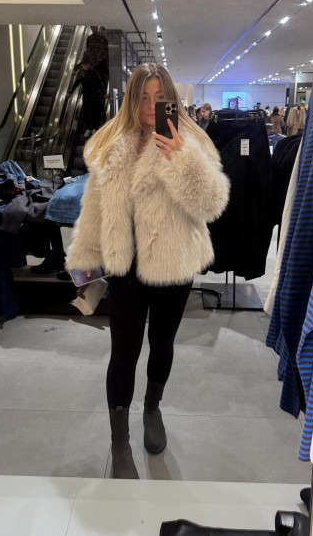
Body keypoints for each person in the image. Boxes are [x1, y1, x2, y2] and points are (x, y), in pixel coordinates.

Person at [66, 63, 230, 479]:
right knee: (123, 352)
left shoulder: (192, 141)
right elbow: (94, 207)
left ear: (171, 99)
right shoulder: (109, 142)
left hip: (174, 263)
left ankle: (152, 409)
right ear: (130, 99)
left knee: (161, 342)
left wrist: (181, 158)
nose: (149, 106)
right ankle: (119, 439)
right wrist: (85, 259)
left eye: (159, 98)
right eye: (142, 97)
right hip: (125, 266)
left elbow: (211, 204)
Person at [68, 54, 105, 133]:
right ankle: (88, 128)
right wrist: (70, 92)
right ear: (82, 65)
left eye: (87, 64)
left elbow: (99, 83)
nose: (86, 66)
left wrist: (104, 93)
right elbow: (76, 83)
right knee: (86, 111)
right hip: (86, 94)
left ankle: (94, 127)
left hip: (95, 95)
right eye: (85, 64)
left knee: (94, 111)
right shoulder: (80, 73)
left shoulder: (94, 72)